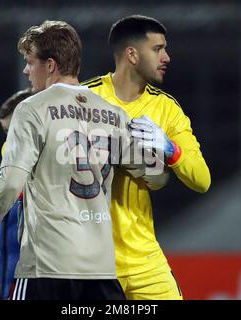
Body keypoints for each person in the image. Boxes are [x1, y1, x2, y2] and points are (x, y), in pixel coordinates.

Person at [0, 20, 150, 300]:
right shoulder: (114, 114)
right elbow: (152, 172)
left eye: (29, 62)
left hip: (48, 267)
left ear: (50, 65)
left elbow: (11, 181)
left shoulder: (31, 109)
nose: (26, 70)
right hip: (100, 271)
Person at [82, 15, 211, 300]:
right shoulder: (83, 99)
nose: (167, 56)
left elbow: (202, 180)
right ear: (131, 54)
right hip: (90, 263)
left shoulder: (166, 109)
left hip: (144, 260)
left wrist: (171, 149)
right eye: (158, 49)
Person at [0, 88, 34, 300]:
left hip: (28, 280)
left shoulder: (41, 164)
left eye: (12, 129)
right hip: (5, 283)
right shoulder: (6, 161)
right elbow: (2, 228)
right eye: (6, 132)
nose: (9, 137)